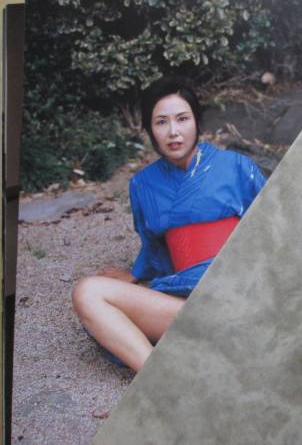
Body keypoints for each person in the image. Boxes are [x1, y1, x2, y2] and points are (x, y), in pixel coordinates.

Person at [72, 77, 266, 371]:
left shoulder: (237, 166)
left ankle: (218, 349)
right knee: (87, 293)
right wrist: (136, 275)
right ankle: (158, 375)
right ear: (150, 129)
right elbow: (155, 248)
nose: (173, 131)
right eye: (161, 122)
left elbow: (273, 233)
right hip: (188, 307)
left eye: (182, 119)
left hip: (238, 296)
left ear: (197, 122)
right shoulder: (142, 184)